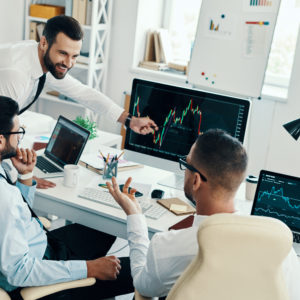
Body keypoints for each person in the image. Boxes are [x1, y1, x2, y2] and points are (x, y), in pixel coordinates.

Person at [107, 129, 300, 299]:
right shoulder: (281, 247)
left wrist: (135, 216)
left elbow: (143, 285)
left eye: (186, 163)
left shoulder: (169, 246)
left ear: (196, 181)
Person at [0, 15, 158, 189]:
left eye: (75, 56)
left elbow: (83, 92)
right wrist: (25, 178)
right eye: (63, 53)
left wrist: (129, 120)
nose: (68, 63)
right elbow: (2, 136)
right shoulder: (16, 75)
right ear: (44, 42)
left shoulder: (42, 58)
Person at [0, 96, 133, 300]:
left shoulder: (4, 179)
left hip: (41, 244)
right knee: (139, 272)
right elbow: (19, 271)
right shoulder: (4, 197)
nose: (19, 139)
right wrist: (90, 268)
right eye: (18, 132)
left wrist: (25, 175)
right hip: (37, 271)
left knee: (101, 228)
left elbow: (18, 216)